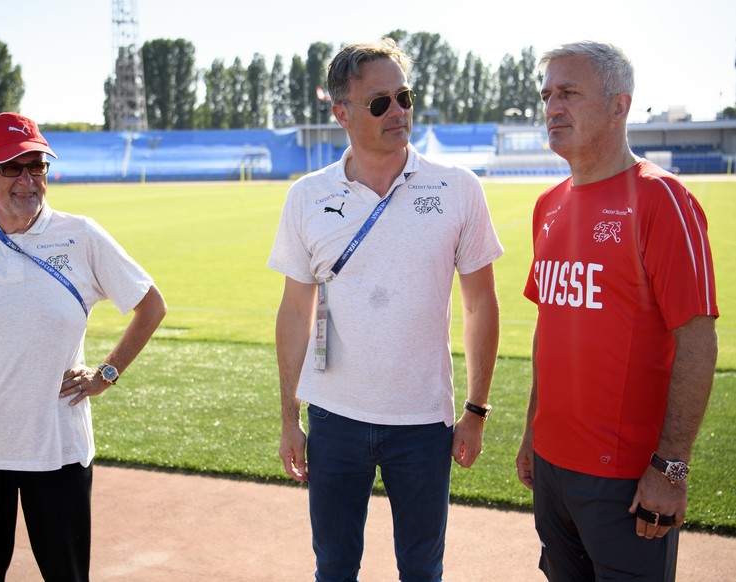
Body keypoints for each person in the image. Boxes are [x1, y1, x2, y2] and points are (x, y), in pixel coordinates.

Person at [0, 112, 167, 581]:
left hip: (56, 447)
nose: (27, 179)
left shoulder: (81, 235)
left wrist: (107, 373)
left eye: (36, 165)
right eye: (12, 166)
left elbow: (151, 305)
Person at [268, 38, 502, 581]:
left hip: (423, 422)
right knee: (334, 566)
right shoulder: (307, 195)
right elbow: (293, 311)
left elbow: (480, 305)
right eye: (380, 103)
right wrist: (289, 418)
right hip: (333, 419)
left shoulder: (458, 187)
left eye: (405, 97)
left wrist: (476, 409)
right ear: (341, 112)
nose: (398, 112)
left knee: (422, 570)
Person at [515, 41, 718, 581]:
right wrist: (534, 431)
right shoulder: (549, 204)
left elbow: (697, 341)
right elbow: (550, 326)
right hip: (554, 470)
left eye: (569, 93)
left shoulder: (661, 200)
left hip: (625, 481)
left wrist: (670, 468)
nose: (552, 107)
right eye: (547, 95)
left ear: (618, 105)